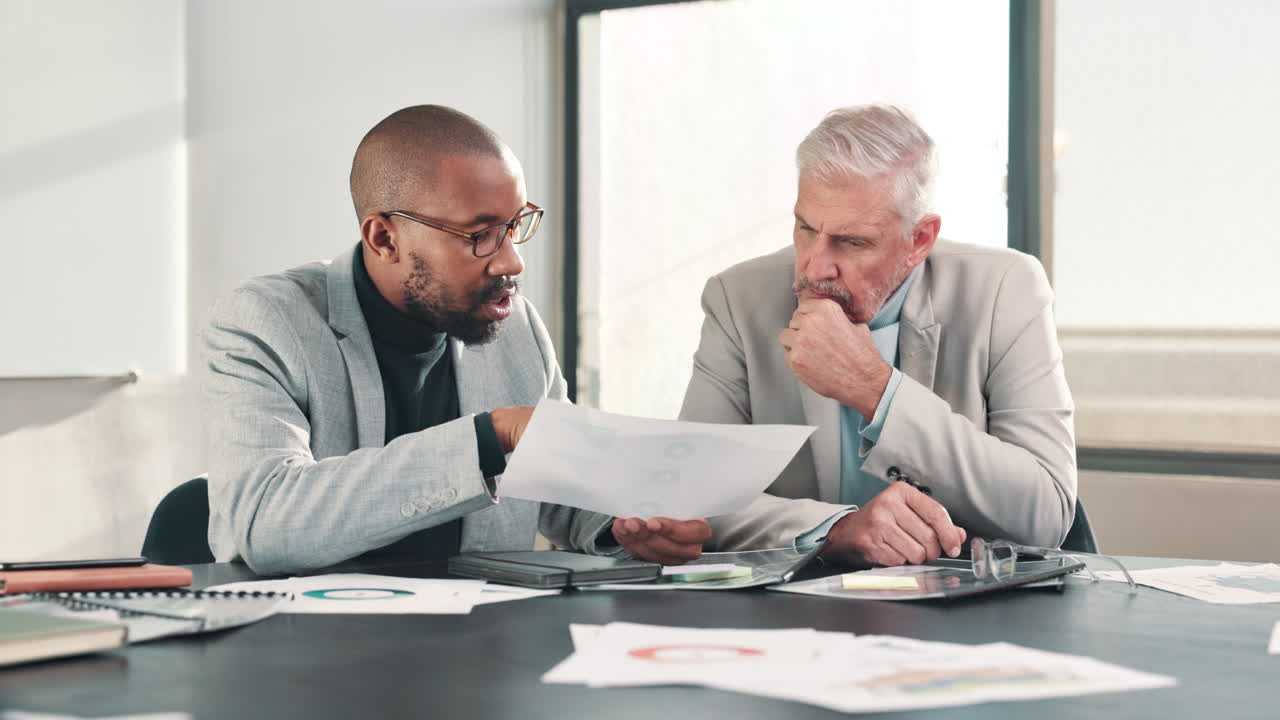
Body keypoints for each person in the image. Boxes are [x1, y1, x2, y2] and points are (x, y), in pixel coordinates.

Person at [203, 105, 709, 574]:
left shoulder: (517, 328)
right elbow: (263, 520)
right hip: (313, 650)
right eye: (480, 234)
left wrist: (631, 525)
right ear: (384, 239)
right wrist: (491, 436)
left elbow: (559, 496)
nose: (512, 261)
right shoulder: (267, 321)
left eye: (515, 225)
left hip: (481, 645)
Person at [680, 104, 1076, 567]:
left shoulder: (1005, 289)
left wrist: (876, 389)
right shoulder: (738, 297)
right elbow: (691, 491)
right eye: (806, 229)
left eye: (853, 242)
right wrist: (833, 531)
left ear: (920, 240)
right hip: (795, 603)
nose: (814, 266)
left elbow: (1045, 512)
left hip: (963, 606)